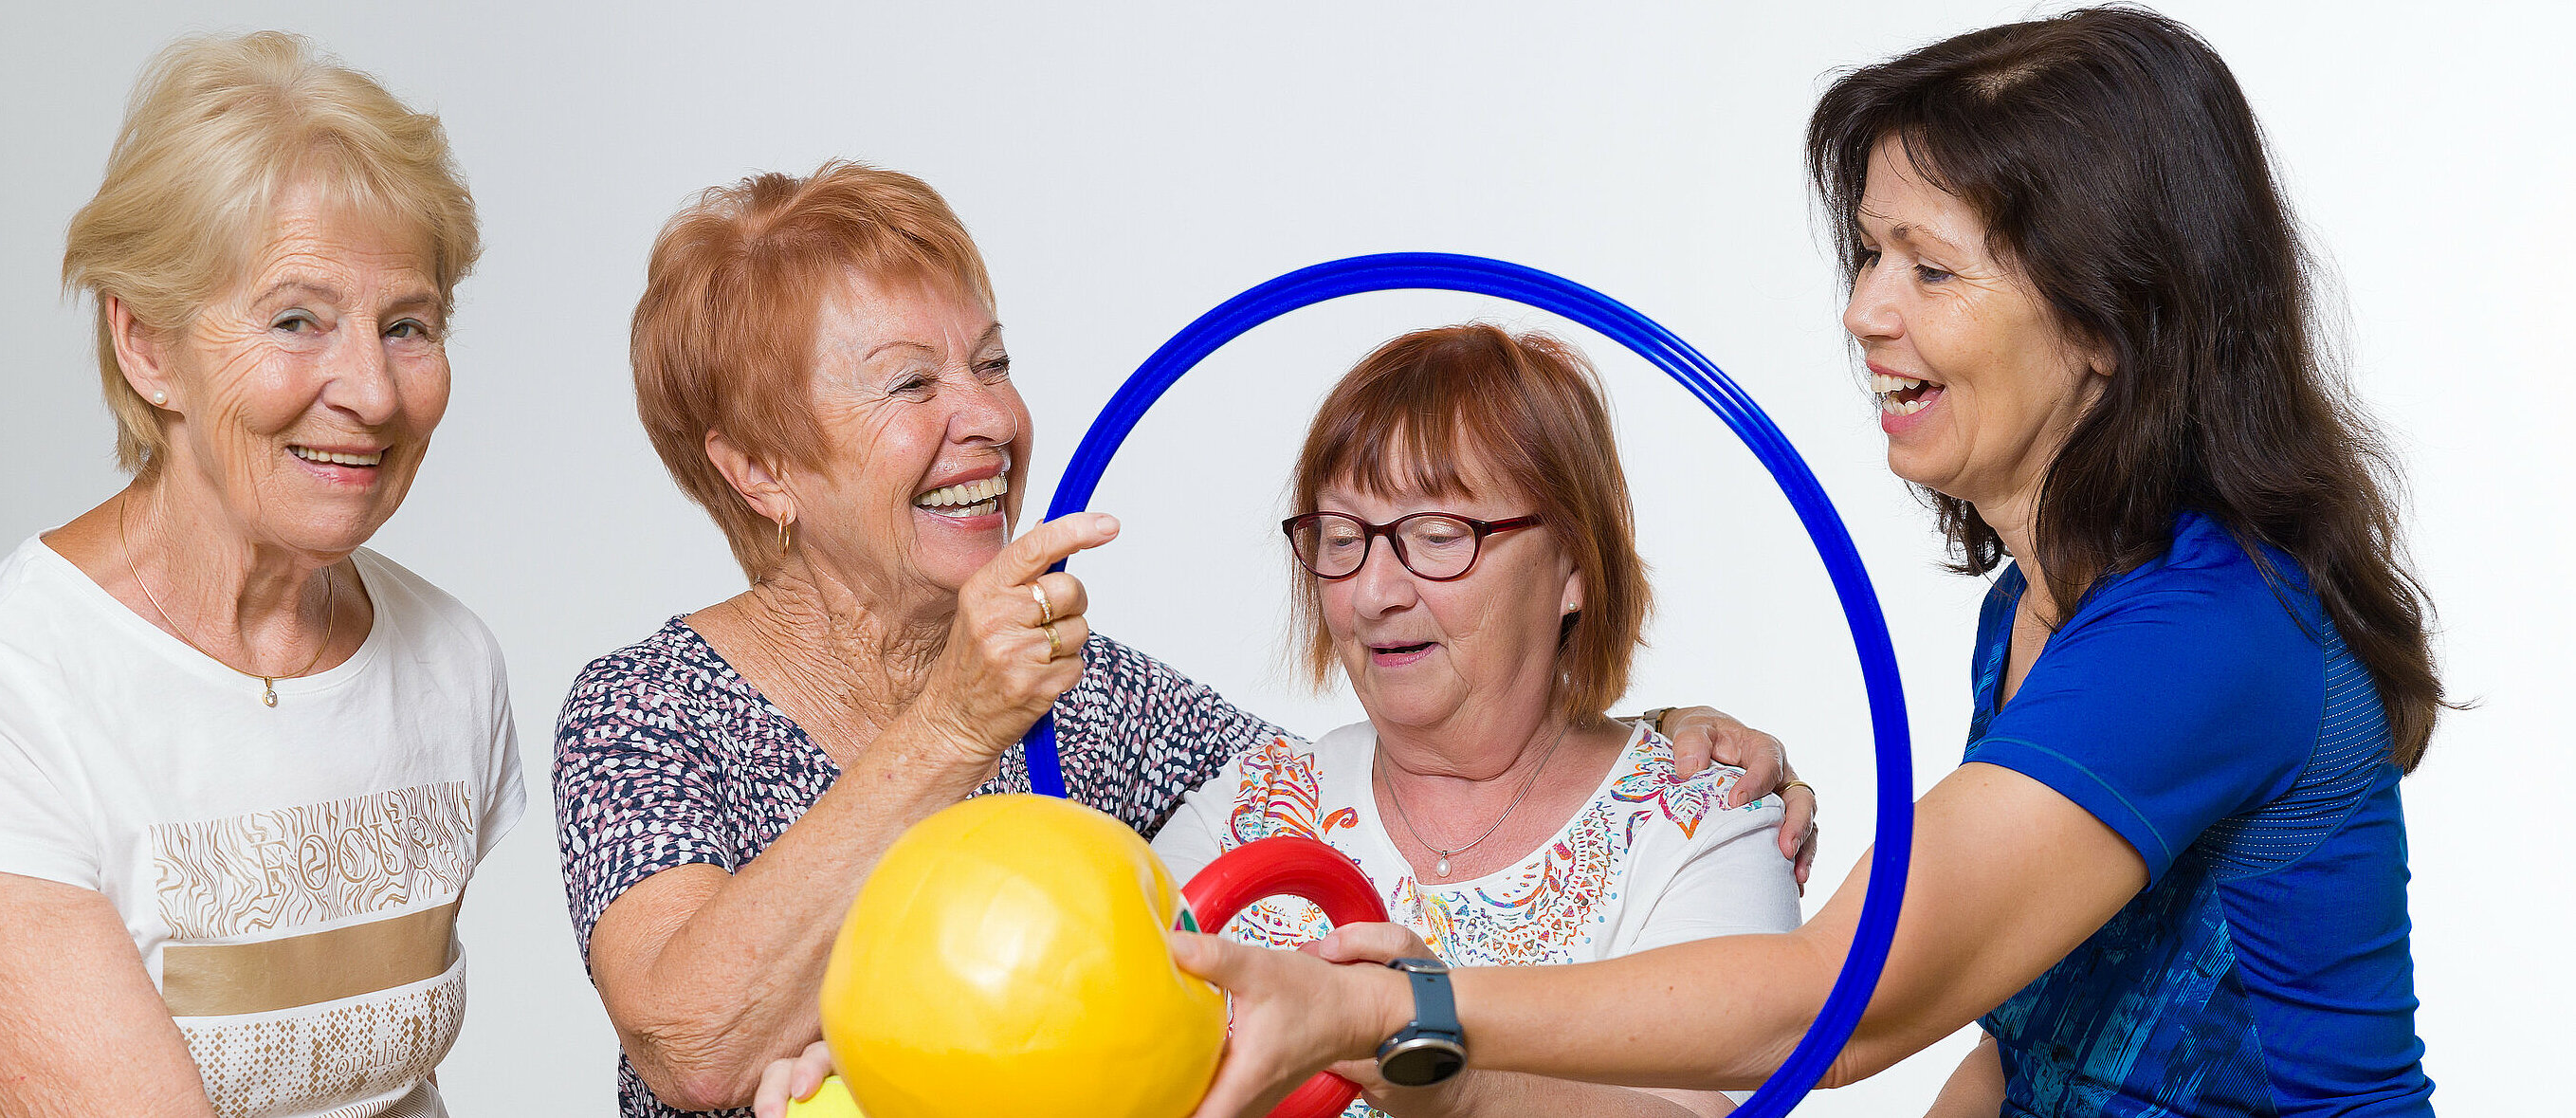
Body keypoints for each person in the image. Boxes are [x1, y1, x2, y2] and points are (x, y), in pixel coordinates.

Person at [1173, 9, 2444, 1118]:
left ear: (2108, 319)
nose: (1863, 311)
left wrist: (1398, 1007)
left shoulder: (2211, 634)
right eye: (1870, 253)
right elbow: (2028, 1053)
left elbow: (1834, 1006)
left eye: (1929, 267)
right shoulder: (2032, 611)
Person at [553, 163, 1818, 1118]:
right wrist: (952, 725)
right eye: (911, 383)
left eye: (990, 362)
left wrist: (1654, 741)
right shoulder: (646, 707)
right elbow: (695, 1043)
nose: (988, 417)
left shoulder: (1094, 694)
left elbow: (1394, 780)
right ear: (759, 467)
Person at [0, 32, 521, 1118]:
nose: (371, 391)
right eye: (297, 320)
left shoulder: (451, 662)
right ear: (148, 347)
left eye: (408, 326)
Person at [1142, 323, 1800, 1117]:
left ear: (1574, 565)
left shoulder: (1700, 824)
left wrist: (1460, 1090)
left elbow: (1702, 1109)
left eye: (1437, 536)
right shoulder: (1247, 806)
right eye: (1342, 538)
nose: (1373, 592)